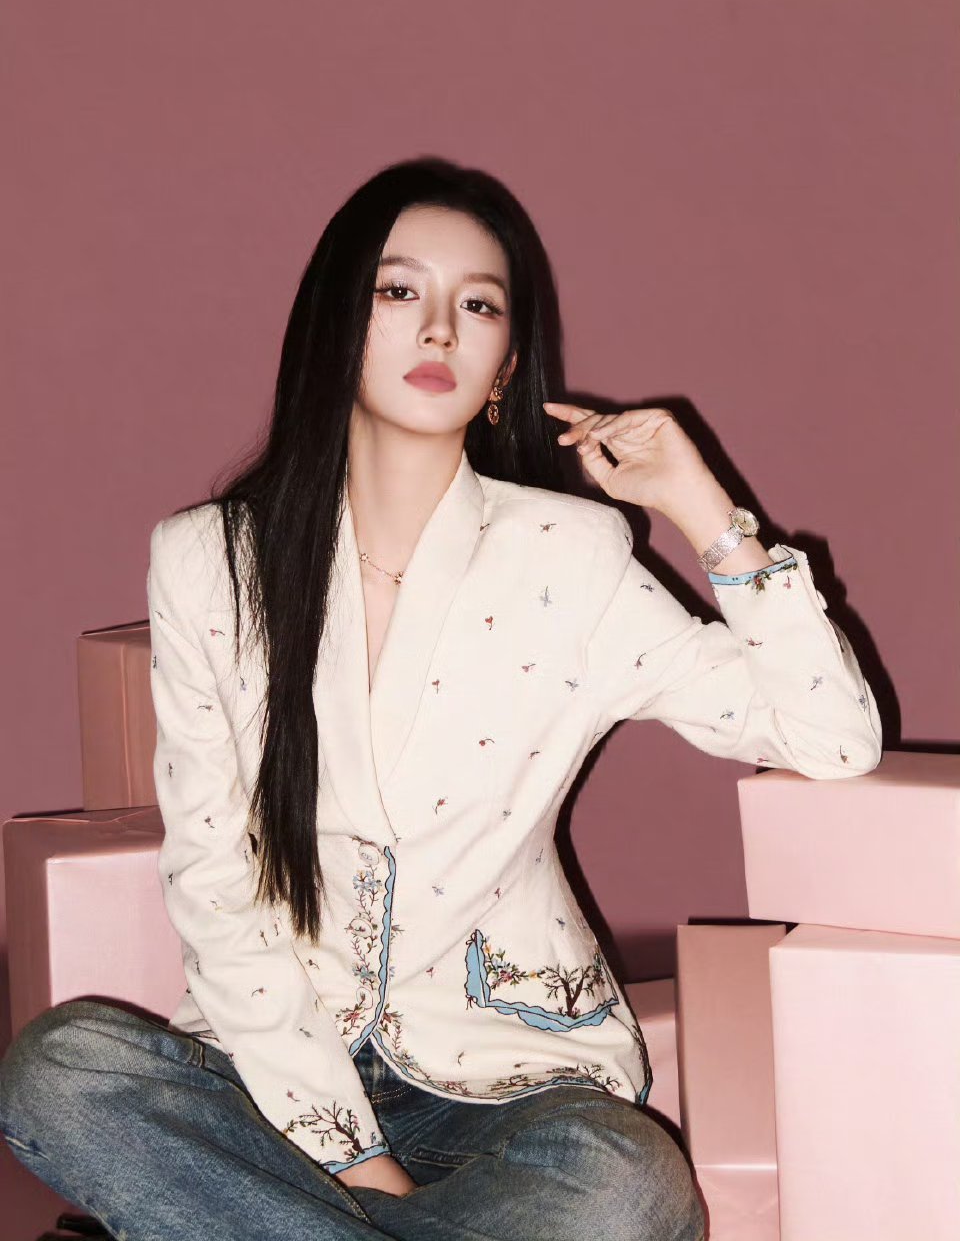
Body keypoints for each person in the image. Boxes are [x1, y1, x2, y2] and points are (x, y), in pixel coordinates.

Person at [0, 156, 881, 1241]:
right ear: (337, 323)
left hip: (508, 1078)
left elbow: (832, 736)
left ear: (505, 363)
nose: (438, 329)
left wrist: (704, 508)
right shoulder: (209, 561)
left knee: (629, 1181)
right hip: (272, 1073)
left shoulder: (570, 554)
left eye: (479, 306)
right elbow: (214, 875)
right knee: (61, 1068)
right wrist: (354, 1162)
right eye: (398, 289)